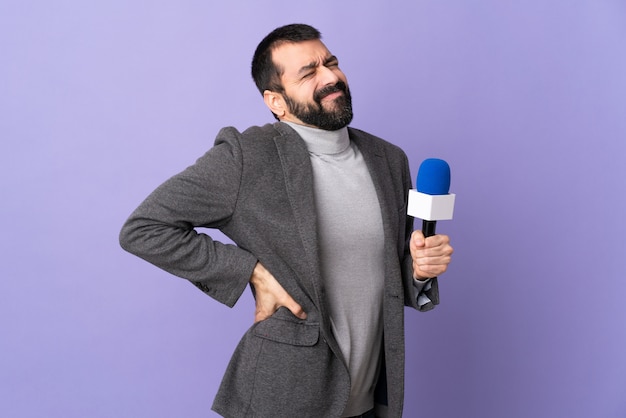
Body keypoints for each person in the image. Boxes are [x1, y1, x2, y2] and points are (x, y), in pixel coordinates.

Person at [119, 23, 453, 418]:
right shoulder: (246, 158)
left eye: (331, 63)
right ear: (275, 101)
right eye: (309, 72)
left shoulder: (388, 160)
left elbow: (383, 273)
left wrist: (418, 271)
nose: (331, 78)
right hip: (287, 399)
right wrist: (252, 272)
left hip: (369, 400)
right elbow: (143, 228)